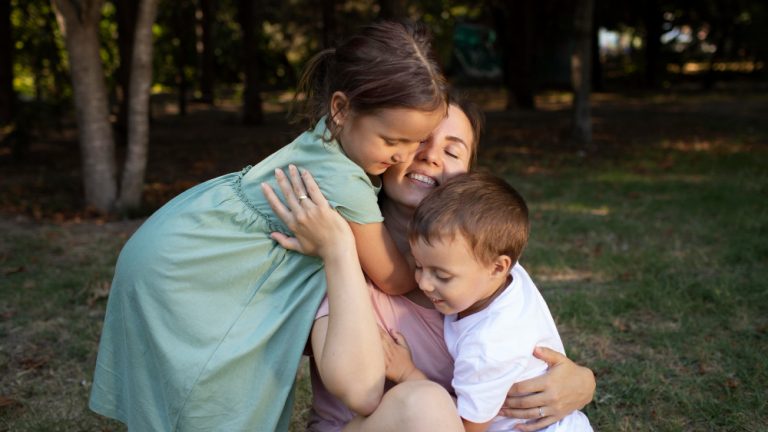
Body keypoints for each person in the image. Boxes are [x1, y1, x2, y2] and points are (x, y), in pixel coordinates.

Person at [88, 21, 448, 431]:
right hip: (188, 269)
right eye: (391, 141)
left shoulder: (327, 143)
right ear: (341, 108)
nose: (403, 157)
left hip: (175, 244)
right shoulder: (343, 180)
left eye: (415, 142)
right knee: (205, 383)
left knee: (185, 385)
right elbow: (394, 277)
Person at [264, 98, 595, 432]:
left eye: (452, 152)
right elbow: (357, 391)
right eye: (419, 140)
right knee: (426, 404)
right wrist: (338, 251)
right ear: (387, 149)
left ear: (468, 177)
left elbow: (526, 355)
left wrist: (582, 382)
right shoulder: (341, 259)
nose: (431, 156)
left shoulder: (484, 277)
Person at [403, 172, 593, 431]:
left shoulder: (488, 346)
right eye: (419, 265)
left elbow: (465, 427)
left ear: (497, 268)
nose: (424, 283)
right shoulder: (503, 274)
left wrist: (407, 374)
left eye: (442, 275)